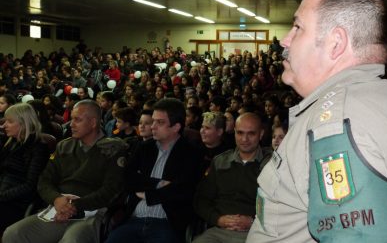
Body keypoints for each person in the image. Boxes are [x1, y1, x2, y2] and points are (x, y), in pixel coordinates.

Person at [246, 0, 387, 243]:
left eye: (297, 27)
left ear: (335, 43)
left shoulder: (337, 122)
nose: (285, 40)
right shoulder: (375, 100)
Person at [3, 99, 128, 243]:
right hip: (59, 209)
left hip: (92, 212)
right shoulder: (64, 146)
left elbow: (110, 190)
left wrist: (74, 206)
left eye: (77, 120)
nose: (71, 124)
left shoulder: (112, 150)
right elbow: (44, 180)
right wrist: (56, 199)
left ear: (93, 123)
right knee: (14, 233)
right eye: (72, 119)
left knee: (72, 240)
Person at [104, 98, 204, 243]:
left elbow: (183, 190)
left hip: (167, 223)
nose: (153, 127)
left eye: (160, 122)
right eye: (153, 121)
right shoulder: (144, 148)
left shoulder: (191, 153)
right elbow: (127, 178)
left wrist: (148, 195)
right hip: (134, 219)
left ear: (176, 127)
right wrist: (158, 183)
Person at [193, 113, 271, 243]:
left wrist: (254, 221)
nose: (244, 139)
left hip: (256, 232)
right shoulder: (220, 162)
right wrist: (218, 219)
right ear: (234, 132)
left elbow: (279, 207)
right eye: (240, 133)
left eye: (251, 133)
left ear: (261, 134)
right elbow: (201, 200)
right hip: (218, 231)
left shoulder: (271, 165)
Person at [0, 103, 50, 232]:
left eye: (9, 122)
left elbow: (30, 186)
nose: (4, 125)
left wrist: (2, 196)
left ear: (24, 123)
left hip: (16, 202)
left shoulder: (38, 148)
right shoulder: (12, 143)